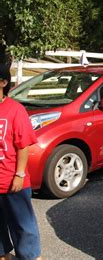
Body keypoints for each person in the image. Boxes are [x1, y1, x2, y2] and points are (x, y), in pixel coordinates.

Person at [0, 65, 42, 260]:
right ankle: (3, 254)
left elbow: (23, 145)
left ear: (3, 82)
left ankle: (30, 256)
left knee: (22, 224)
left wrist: (19, 174)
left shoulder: (15, 109)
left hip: (12, 180)